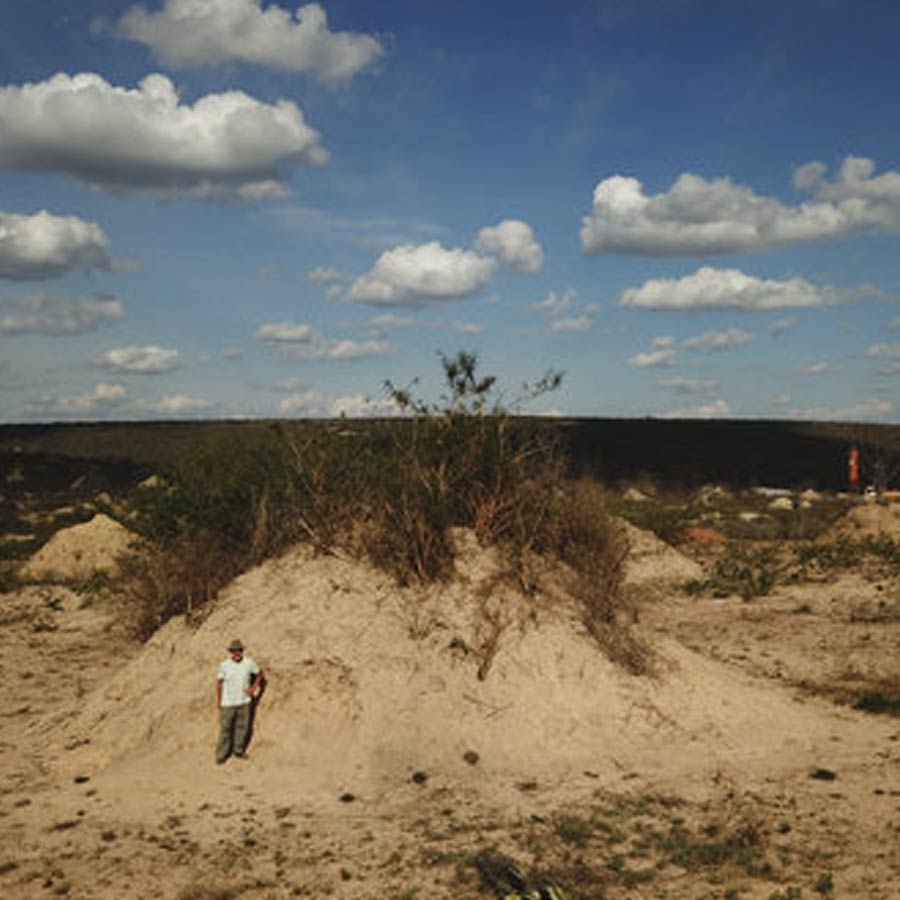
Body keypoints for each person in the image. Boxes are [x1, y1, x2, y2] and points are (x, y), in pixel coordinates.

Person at [215, 638, 264, 764]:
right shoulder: (224, 665)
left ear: (242, 651)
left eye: (239, 650)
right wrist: (219, 701)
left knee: (242, 728)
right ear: (230, 652)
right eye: (234, 651)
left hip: (244, 702)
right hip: (228, 703)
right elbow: (219, 683)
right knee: (225, 729)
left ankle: (238, 751)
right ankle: (221, 755)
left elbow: (260, 673)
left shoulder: (249, 663)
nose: (237, 653)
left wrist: (254, 688)